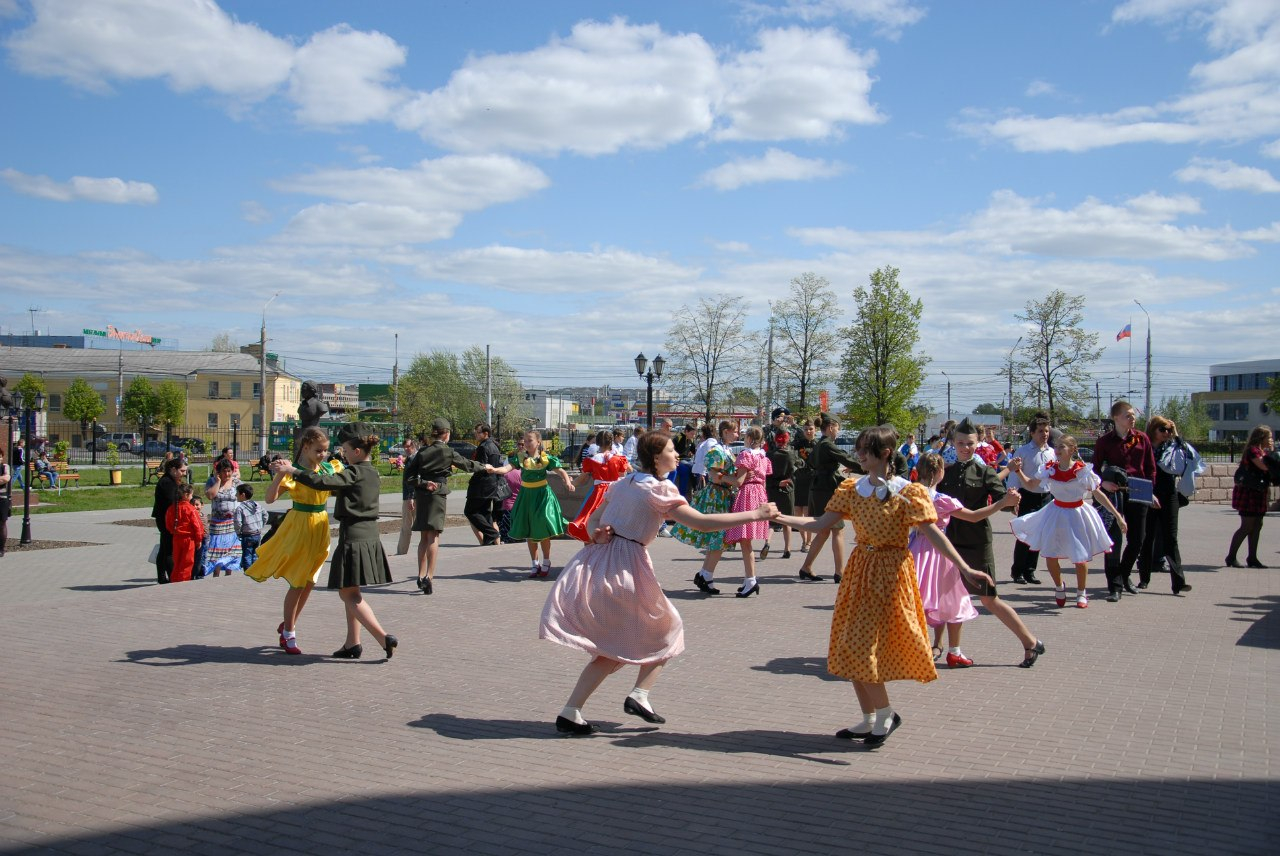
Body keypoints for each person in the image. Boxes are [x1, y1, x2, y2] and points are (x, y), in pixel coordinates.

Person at [542, 431, 779, 735]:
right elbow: (701, 522)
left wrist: (596, 534)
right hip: (625, 567)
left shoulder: (624, 483)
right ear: (656, 457)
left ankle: (572, 711)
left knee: (612, 647)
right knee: (669, 628)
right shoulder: (660, 488)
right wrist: (754, 514)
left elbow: (593, 520)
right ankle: (639, 695)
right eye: (670, 450)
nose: (677, 455)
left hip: (599, 562)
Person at [778, 426, 1002, 747]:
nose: (858, 455)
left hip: (891, 573)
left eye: (864, 450)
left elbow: (934, 534)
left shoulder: (908, 492)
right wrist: (779, 517)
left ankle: (886, 714)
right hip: (859, 572)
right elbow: (819, 523)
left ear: (884, 454)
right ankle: (870, 718)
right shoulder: (852, 488)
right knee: (848, 644)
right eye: (858, 449)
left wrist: (965, 568)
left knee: (863, 646)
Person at [272, 424, 398, 661]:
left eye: (346, 450)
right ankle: (353, 643)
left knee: (349, 595)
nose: (343, 454)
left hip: (354, 538)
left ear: (357, 452)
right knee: (352, 589)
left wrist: (293, 470)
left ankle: (383, 638)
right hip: (370, 535)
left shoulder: (354, 472)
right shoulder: (372, 472)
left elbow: (323, 482)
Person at [937, 419, 1045, 666]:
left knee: (988, 598)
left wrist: (1011, 500)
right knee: (952, 596)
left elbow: (1002, 499)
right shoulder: (946, 472)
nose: (965, 448)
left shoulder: (984, 472)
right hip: (951, 541)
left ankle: (1030, 641)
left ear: (978, 443)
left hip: (977, 542)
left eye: (970, 443)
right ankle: (953, 651)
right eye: (961, 443)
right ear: (953, 443)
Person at [912, 452, 1020, 667]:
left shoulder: (910, 494)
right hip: (939, 552)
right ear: (940, 472)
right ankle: (954, 651)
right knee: (952, 598)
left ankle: (916, 648)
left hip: (914, 550)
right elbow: (974, 516)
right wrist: (1003, 503)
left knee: (917, 599)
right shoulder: (941, 499)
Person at [244, 426, 338, 655]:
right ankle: (288, 634)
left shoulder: (328, 468)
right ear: (305, 448)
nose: (322, 454)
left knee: (310, 581)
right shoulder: (293, 472)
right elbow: (269, 498)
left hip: (321, 526)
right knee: (298, 582)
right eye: (318, 450)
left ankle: (289, 622)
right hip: (300, 527)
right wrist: (280, 473)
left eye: (325, 450)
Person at [1009, 436, 1124, 609]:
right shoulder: (1049, 469)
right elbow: (1031, 485)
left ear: (1072, 449)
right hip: (1056, 512)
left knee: (1080, 556)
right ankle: (1059, 586)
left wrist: (1117, 515)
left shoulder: (1082, 470)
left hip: (1078, 513)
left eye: (1061, 446)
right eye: (1056, 446)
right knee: (1050, 555)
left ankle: (1081, 592)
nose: (1057, 450)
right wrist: (1018, 471)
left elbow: (1097, 493)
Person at [405, 419, 484, 594]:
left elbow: (409, 477)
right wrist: (485, 467)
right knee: (433, 536)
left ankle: (420, 575)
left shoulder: (422, 452)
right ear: (447, 434)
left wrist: (423, 483)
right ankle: (429, 577)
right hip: (438, 493)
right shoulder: (448, 452)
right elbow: (468, 465)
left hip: (422, 494)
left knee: (424, 536)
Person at [1093, 401, 1157, 600]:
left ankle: (1123, 574)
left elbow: (1150, 468)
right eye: (1127, 415)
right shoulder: (1105, 442)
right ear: (1116, 417)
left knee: (1138, 539)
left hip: (1138, 490)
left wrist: (1150, 491)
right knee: (1113, 541)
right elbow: (1095, 470)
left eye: (1133, 415)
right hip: (1114, 494)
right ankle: (1115, 586)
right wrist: (1103, 483)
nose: (1132, 418)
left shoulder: (1142, 438)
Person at [489, 430, 574, 578]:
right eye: (525, 441)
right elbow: (506, 468)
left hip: (542, 496)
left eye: (530, 441)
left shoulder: (545, 458)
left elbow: (561, 471)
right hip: (526, 496)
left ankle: (546, 560)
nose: (526, 444)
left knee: (543, 528)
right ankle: (535, 563)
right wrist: (495, 469)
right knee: (529, 530)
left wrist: (567, 482)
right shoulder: (521, 457)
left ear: (538, 442)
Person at [673, 421, 739, 594]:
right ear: (726, 432)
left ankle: (704, 575)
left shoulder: (724, 449)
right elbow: (715, 476)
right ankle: (706, 576)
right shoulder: (717, 450)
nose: (737, 435)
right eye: (735, 432)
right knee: (718, 539)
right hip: (717, 496)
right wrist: (737, 481)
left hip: (721, 495)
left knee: (716, 540)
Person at [796, 413, 859, 583]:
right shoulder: (827, 445)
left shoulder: (819, 444)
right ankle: (840, 572)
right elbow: (846, 459)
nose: (838, 431)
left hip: (817, 488)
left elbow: (810, 463)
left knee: (824, 531)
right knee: (838, 530)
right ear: (831, 427)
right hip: (827, 489)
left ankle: (806, 567)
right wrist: (869, 468)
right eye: (837, 428)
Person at [1142, 415, 1200, 593]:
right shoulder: (1145, 447)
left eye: (1169, 429)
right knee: (1147, 537)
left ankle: (1178, 582)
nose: (1166, 433)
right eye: (1163, 429)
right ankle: (1144, 578)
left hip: (1169, 495)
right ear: (1153, 430)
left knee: (1171, 538)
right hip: (1149, 494)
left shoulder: (1173, 446)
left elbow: (1189, 454)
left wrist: (1176, 434)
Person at [723, 426, 773, 597]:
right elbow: (764, 481)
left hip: (747, 494)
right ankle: (748, 578)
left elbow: (739, 481)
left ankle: (751, 580)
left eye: (745, 437)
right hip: (760, 494)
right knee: (747, 539)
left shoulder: (746, 455)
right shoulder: (763, 457)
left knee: (745, 540)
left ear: (750, 439)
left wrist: (721, 477)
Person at [1007, 413, 1056, 584]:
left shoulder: (1052, 452)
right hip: (1027, 496)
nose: (1045, 434)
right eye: (1041, 431)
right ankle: (1017, 571)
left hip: (1046, 497)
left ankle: (1030, 570)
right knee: (1025, 534)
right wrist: (1013, 497)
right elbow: (1014, 475)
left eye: (1047, 431)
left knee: (1038, 535)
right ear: (1032, 433)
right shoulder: (1024, 451)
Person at [567, 431, 631, 543]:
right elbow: (627, 471)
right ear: (611, 442)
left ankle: (591, 543)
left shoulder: (592, 459)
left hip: (599, 492)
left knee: (591, 519)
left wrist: (571, 483)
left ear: (597, 443)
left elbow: (583, 478)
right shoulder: (618, 458)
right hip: (615, 491)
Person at [1227, 425, 1274, 569]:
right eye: (1269, 437)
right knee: (1247, 526)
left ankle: (1252, 558)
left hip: (1259, 492)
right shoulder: (1253, 451)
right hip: (1249, 493)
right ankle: (1231, 557)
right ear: (1261, 438)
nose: (1271, 440)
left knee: (1258, 524)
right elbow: (1265, 466)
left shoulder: (1262, 452)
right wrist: (1273, 453)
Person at [464, 424, 507, 547]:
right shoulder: (494, 445)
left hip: (481, 486)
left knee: (470, 511)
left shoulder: (483, 447)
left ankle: (492, 534)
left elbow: (481, 467)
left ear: (485, 433)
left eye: (478, 432)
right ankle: (490, 541)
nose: (475, 434)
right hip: (492, 485)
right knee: (485, 513)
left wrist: (473, 477)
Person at [203, 458, 243, 577]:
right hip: (218, 523)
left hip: (232, 522)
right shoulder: (212, 481)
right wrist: (218, 481)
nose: (227, 474)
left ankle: (228, 574)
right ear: (218, 472)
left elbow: (244, 497)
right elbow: (210, 496)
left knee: (231, 549)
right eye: (224, 471)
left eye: (229, 471)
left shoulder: (237, 483)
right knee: (217, 548)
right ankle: (216, 574)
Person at [765, 429, 801, 559]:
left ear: (776, 440)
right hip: (787, 490)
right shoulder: (791, 454)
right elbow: (799, 466)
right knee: (786, 521)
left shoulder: (769, 455)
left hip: (773, 489)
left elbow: (766, 474)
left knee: (771, 520)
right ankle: (787, 549)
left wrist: (775, 483)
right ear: (787, 440)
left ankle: (767, 542)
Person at [151, 457, 187, 584]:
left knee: (164, 548)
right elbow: (173, 502)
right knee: (168, 549)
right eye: (182, 471)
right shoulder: (167, 482)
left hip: (167, 518)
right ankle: (172, 577)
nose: (184, 473)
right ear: (173, 469)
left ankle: (162, 577)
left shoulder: (172, 480)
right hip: (166, 519)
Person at [166, 484, 205, 583]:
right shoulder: (190, 509)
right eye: (191, 495)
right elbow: (198, 526)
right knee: (187, 563)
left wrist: (174, 531)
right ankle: (183, 583)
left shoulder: (172, 508)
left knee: (177, 562)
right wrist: (199, 539)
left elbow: (168, 524)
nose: (192, 497)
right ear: (186, 495)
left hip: (176, 538)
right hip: (188, 539)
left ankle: (174, 581)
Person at [791, 420, 816, 553]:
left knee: (807, 512)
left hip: (811, 480)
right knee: (797, 512)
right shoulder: (798, 444)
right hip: (799, 479)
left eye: (810, 429)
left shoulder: (818, 445)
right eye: (806, 429)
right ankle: (804, 539)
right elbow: (792, 457)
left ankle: (809, 541)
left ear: (815, 430)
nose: (808, 431)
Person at [234, 483, 268, 570]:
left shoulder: (240, 508)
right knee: (255, 553)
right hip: (257, 534)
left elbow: (238, 522)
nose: (235, 495)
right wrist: (261, 525)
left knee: (247, 554)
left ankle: (248, 571)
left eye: (237, 493)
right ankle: (255, 569)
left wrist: (238, 532)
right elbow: (265, 515)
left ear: (242, 495)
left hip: (247, 534)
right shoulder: (257, 505)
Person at [293, 381, 329, 462]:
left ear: (312, 391)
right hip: (303, 428)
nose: (302, 391)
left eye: (304, 389)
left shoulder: (320, 406)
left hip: (314, 427)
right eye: (301, 389)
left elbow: (323, 409)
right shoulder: (302, 405)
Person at [396, 438, 418, 555]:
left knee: (406, 525)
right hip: (412, 496)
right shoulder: (412, 458)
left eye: (408, 446)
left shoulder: (414, 459)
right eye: (404, 447)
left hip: (410, 497)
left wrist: (411, 497)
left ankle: (402, 551)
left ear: (414, 446)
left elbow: (412, 480)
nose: (406, 449)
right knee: (412, 524)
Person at [690, 423, 716, 492]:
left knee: (701, 492)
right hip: (701, 472)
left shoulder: (708, 443)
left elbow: (707, 458)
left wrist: (703, 473)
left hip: (702, 473)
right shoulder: (708, 443)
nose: (701, 434)